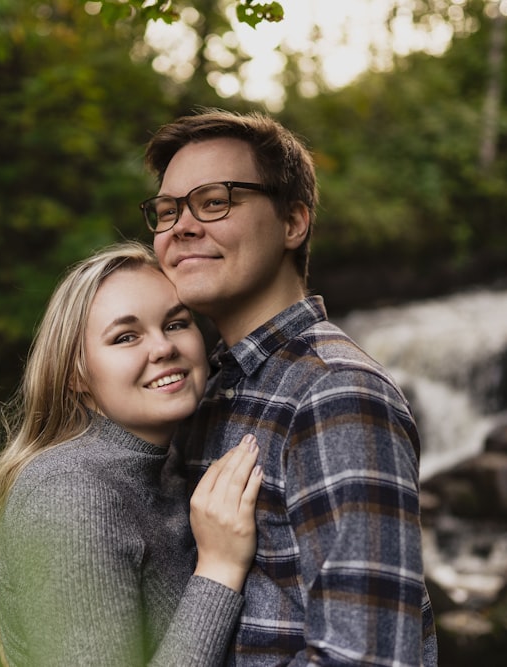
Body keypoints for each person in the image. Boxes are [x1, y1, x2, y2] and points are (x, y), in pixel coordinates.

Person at [141, 109, 439, 666]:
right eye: (166, 211)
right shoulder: (201, 391)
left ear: (293, 223)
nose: (180, 226)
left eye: (214, 201)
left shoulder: (336, 395)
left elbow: (366, 658)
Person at [0, 240, 264, 666]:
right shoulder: (71, 494)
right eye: (126, 337)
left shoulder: (164, 465)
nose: (163, 348)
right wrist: (218, 570)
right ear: (76, 374)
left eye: (176, 323)